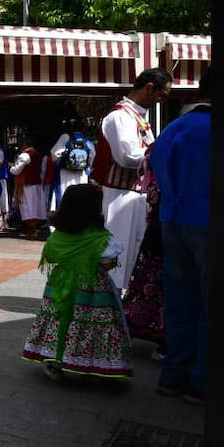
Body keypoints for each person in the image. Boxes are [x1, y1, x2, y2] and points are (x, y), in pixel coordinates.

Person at [21, 183, 133, 382]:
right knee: (89, 323)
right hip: (92, 289)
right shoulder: (101, 239)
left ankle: (55, 361)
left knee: (59, 320)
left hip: (59, 285)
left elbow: (52, 256)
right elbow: (107, 263)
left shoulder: (59, 236)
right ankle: (88, 361)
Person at [150, 69, 213, 401]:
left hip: (171, 222)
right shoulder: (222, 130)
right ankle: (199, 380)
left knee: (179, 302)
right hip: (208, 224)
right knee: (209, 304)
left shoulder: (172, 128)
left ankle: (173, 374)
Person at [92, 68, 172, 289]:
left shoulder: (136, 117)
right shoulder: (120, 116)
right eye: (162, 94)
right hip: (121, 196)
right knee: (120, 252)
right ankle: (109, 303)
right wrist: (162, 154)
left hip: (136, 196)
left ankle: (123, 304)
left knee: (134, 253)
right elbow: (127, 156)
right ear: (149, 88)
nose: (162, 100)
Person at [120, 149, 166, 355]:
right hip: (169, 238)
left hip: (157, 234)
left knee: (146, 283)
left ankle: (132, 329)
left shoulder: (157, 181)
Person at [49, 121, 95, 212]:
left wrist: (62, 161)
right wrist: (88, 167)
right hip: (82, 173)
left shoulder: (65, 137)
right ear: (83, 128)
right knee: (81, 195)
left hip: (65, 173)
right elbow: (93, 155)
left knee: (65, 194)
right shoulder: (87, 140)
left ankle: (64, 216)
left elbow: (54, 153)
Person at [9, 140, 51, 239]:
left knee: (27, 207)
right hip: (36, 184)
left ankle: (30, 230)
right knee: (35, 206)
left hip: (26, 185)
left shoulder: (24, 155)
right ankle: (33, 228)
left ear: (24, 145)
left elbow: (16, 170)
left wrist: (11, 167)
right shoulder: (38, 154)